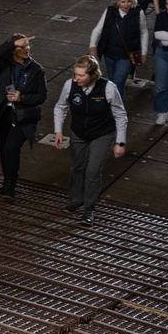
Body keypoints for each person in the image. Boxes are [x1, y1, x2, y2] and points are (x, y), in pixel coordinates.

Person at [54, 56, 128, 224]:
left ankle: (89, 209)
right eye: (75, 74)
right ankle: (76, 200)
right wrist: (58, 130)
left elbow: (120, 114)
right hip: (78, 133)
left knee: (92, 171)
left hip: (102, 134)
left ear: (93, 75)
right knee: (77, 167)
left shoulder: (108, 88)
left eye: (82, 75)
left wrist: (120, 142)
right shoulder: (70, 85)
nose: (77, 78)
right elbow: (60, 106)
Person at [0, 35, 47, 198]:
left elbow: (41, 96)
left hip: (22, 116)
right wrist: (11, 44)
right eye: (22, 47)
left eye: (28, 46)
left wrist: (22, 98)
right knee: (4, 149)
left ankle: (10, 184)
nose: (27, 49)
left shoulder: (36, 69)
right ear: (12, 50)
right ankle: (7, 183)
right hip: (3, 114)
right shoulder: (2, 65)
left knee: (11, 148)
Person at [88, 0, 148, 102]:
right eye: (123, 2)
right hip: (110, 53)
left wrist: (144, 52)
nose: (126, 5)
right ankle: (113, 105)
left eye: (129, 1)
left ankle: (116, 108)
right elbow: (97, 30)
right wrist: (93, 46)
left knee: (118, 81)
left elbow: (144, 32)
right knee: (112, 81)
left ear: (133, 1)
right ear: (117, 2)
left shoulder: (138, 12)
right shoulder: (110, 11)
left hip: (127, 55)